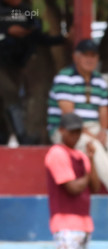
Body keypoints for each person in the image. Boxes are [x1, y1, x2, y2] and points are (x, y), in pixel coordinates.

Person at [47, 39, 108, 195]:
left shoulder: (99, 80)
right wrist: (92, 135)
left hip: (93, 127)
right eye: (85, 55)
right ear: (76, 57)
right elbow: (69, 116)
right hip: (68, 130)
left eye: (93, 55)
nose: (90, 59)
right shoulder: (64, 77)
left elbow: (104, 111)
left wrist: (103, 131)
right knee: (95, 146)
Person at [45, 113, 101, 249]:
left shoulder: (81, 156)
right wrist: (87, 173)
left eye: (79, 130)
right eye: (72, 131)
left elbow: (95, 187)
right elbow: (73, 187)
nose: (76, 135)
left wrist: (92, 161)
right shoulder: (56, 153)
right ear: (62, 131)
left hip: (83, 221)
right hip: (65, 220)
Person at [0, 0, 67, 144]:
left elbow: (37, 34)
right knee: (11, 97)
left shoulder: (27, 10)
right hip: (1, 64)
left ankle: (6, 136)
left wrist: (62, 39)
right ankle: (21, 136)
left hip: (16, 65)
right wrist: (6, 31)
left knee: (9, 100)